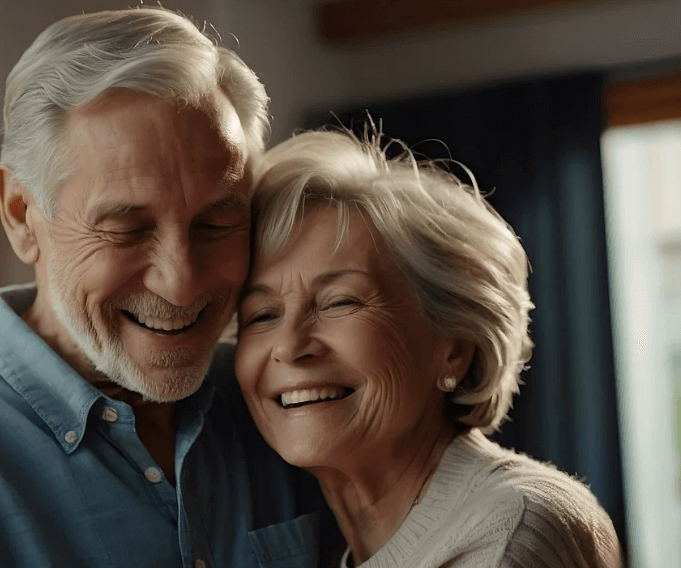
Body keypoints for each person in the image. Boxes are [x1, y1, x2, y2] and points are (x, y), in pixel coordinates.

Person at [0, 7, 334, 568]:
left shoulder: (282, 399)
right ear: (19, 215)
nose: (182, 282)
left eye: (216, 222)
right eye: (127, 228)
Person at [235, 129, 623, 568]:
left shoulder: (510, 531)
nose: (289, 346)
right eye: (262, 315)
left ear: (455, 348)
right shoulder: (330, 552)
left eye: (340, 301)